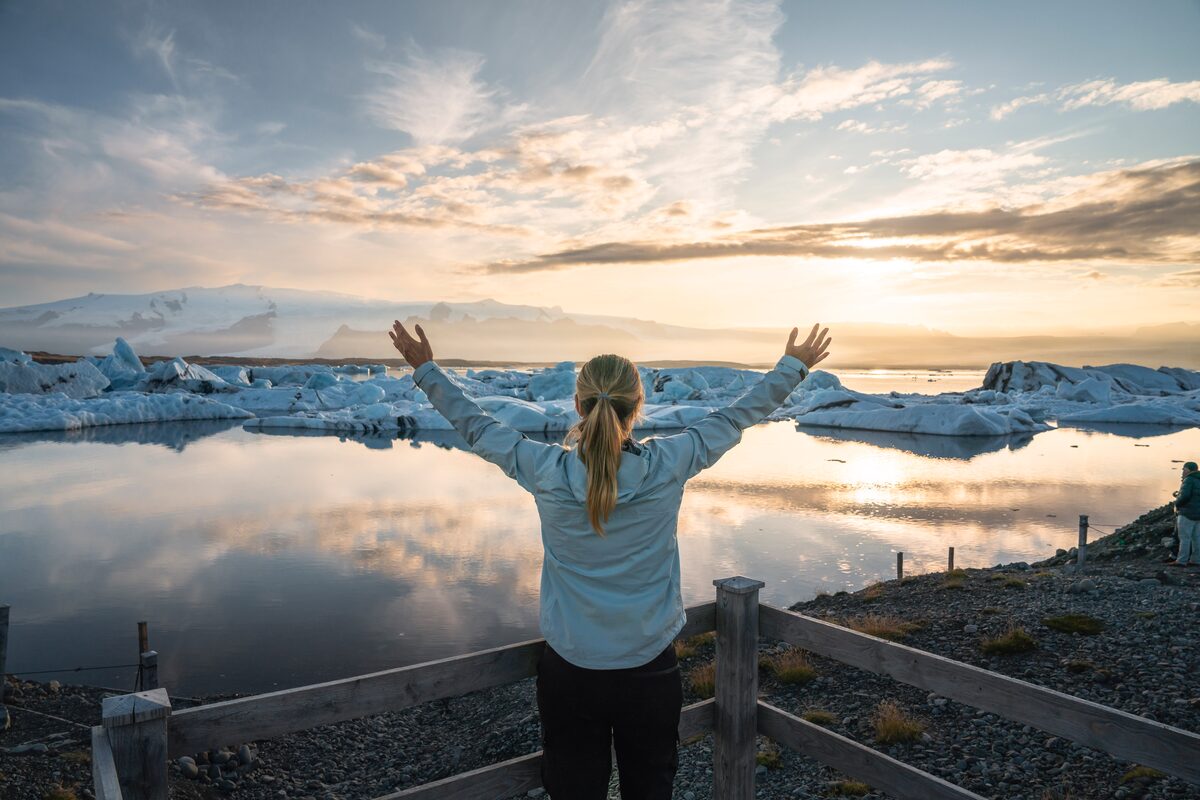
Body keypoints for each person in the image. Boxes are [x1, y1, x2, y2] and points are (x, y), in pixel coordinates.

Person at [388, 320, 831, 800]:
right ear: (637, 407)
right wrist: (793, 367)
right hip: (649, 669)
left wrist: (426, 369)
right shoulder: (670, 463)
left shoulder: (544, 469)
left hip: (570, 672)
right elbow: (735, 417)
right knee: (650, 789)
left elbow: (476, 426)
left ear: (577, 405)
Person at [1171, 461, 1200, 567]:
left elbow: (1185, 496)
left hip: (1187, 513)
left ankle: (1181, 560)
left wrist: (1177, 504)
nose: (1182, 472)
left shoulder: (1189, 479)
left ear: (1188, 469)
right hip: (1198, 514)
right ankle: (1196, 559)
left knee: (1184, 537)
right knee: (1196, 537)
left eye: (1183, 469)